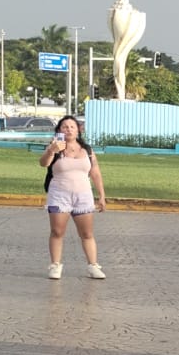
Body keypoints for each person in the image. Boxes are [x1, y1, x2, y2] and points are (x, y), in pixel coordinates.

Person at [39, 115, 108, 279]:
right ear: (59, 130)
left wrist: (102, 196)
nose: (69, 129)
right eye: (65, 127)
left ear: (78, 130)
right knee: (57, 231)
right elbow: (43, 163)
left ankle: (93, 266)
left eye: (72, 126)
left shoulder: (87, 150)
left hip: (83, 196)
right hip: (59, 195)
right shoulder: (55, 148)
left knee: (87, 233)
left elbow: (95, 173)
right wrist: (51, 150)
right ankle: (55, 265)